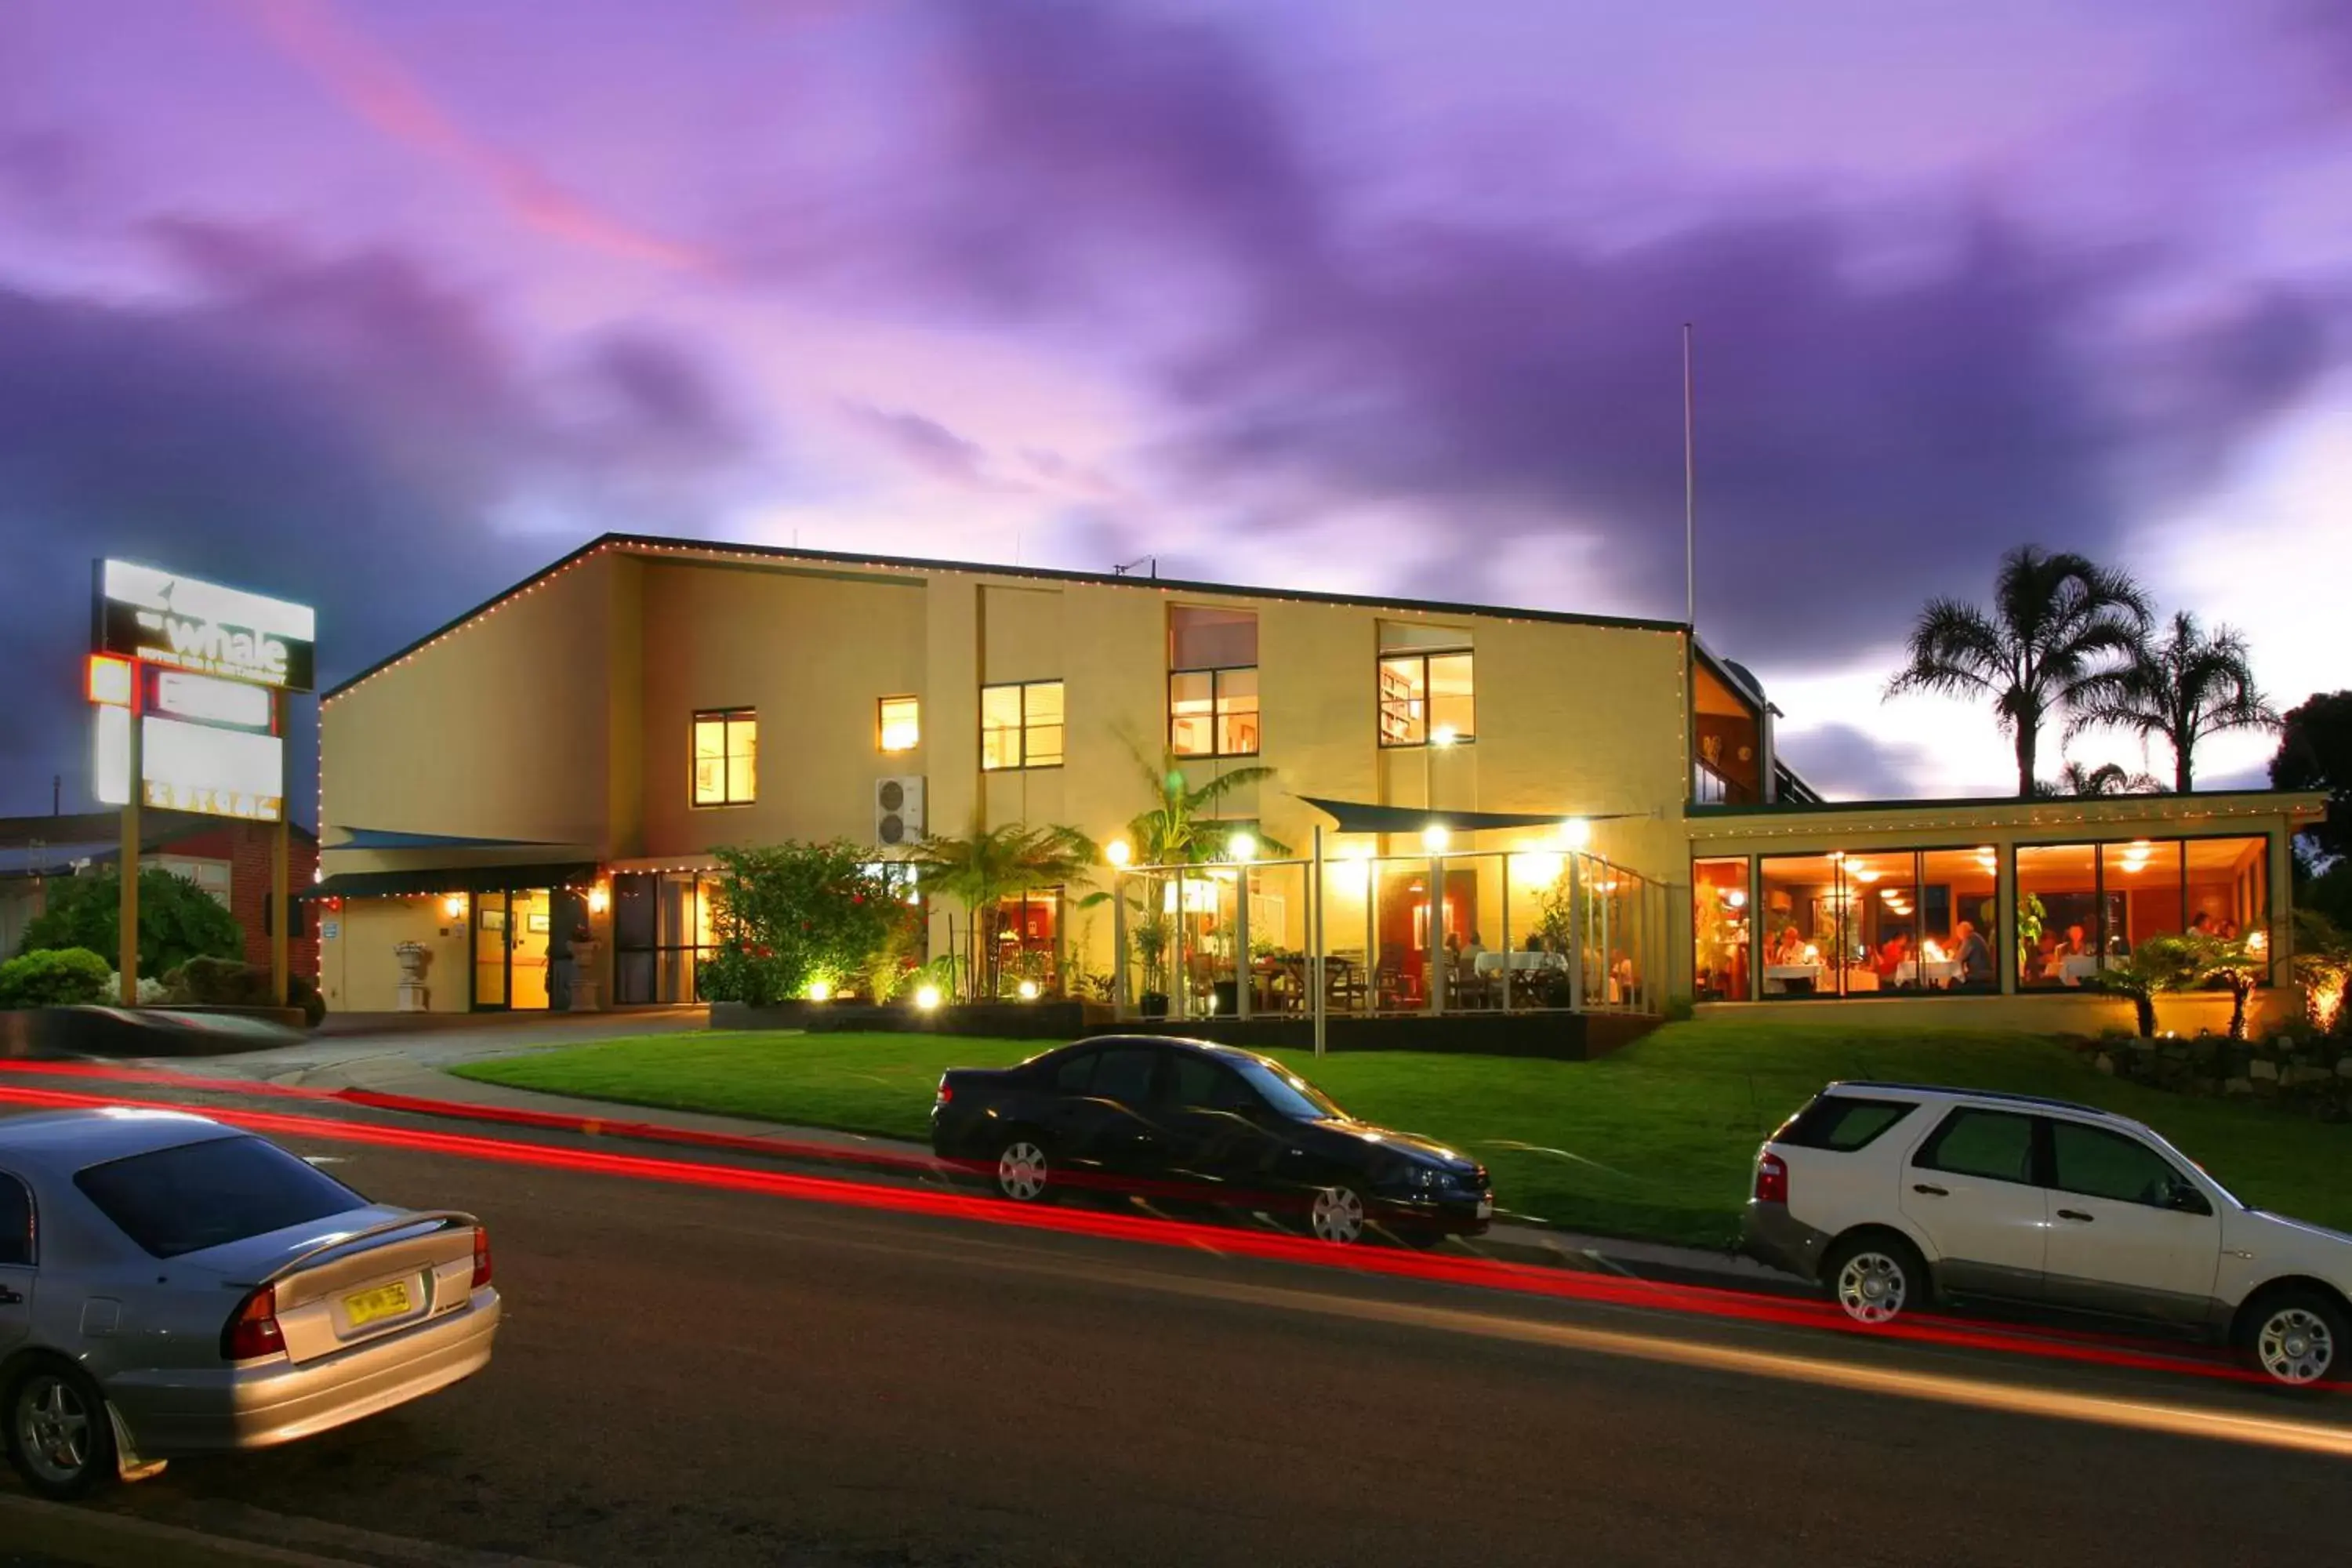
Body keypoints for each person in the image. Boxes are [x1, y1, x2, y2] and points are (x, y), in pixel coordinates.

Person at [1954, 920, 1993, 987]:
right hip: (1985, 973)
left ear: (1962, 932)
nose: (1959, 938)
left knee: (1954, 982)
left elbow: (1959, 958)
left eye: (1959, 934)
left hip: (1979, 975)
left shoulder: (1970, 939)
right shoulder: (1976, 937)